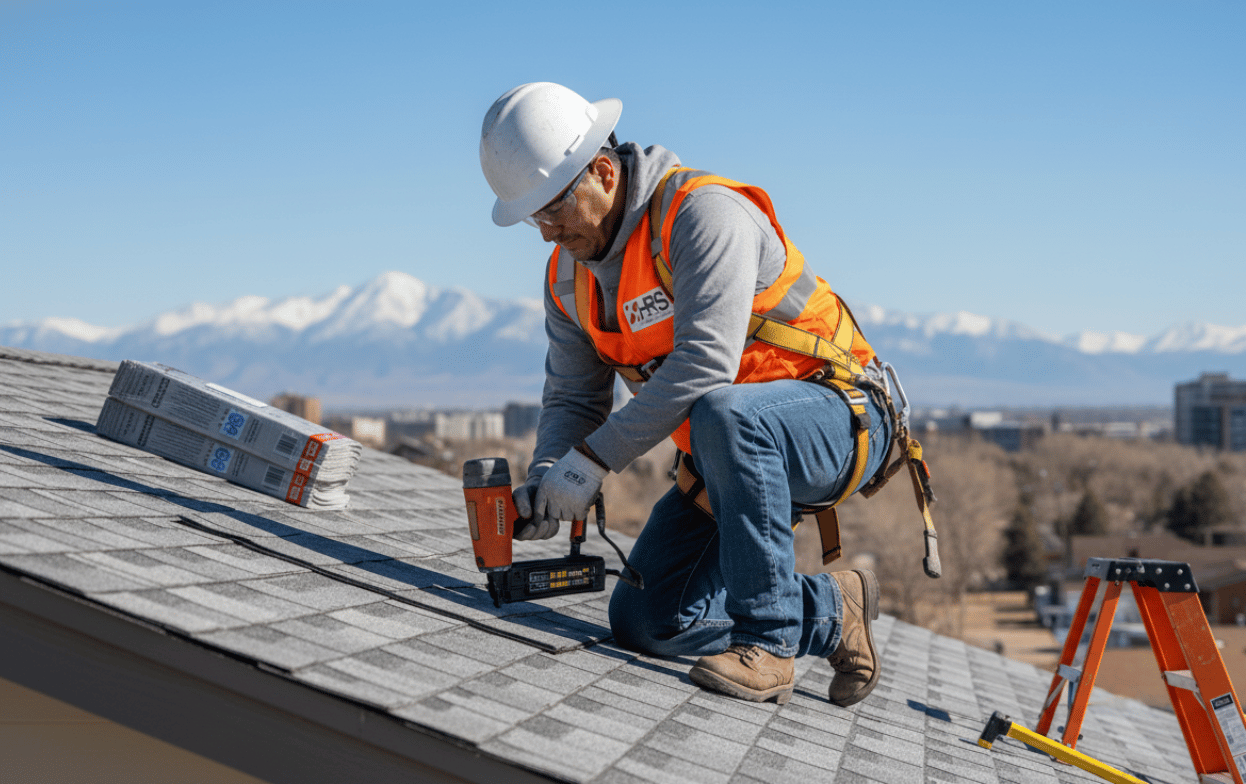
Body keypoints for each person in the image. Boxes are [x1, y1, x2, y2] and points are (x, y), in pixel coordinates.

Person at [479, 82, 913, 707]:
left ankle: (770, 643)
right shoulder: (568, 280)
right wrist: (551, 473)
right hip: (730, 449)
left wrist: (594, 461)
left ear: (603, 172)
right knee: (648, 620)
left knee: (726, 412)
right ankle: (829, 610)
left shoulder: (701, 214)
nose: (547, 233)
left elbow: (707, 363)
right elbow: (574, 399)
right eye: (534, 219)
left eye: (553, 210)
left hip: (838, 422)